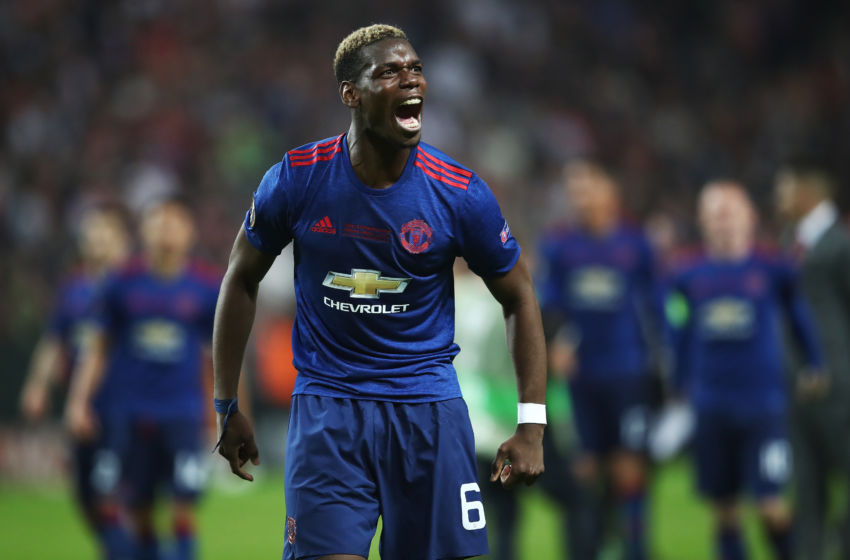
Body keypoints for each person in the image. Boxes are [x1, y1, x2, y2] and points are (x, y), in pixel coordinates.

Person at [211, 23, 547, 560]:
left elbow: (520, 296)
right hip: (329, 412)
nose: (410, 79)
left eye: (415, 68)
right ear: (352, 93)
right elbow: (240, 278)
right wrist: (227, 404)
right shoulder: (297, 179)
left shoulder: (458, 193)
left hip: (427, 413)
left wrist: (532, 423)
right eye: (389, 71)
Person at [668, 181, 824, 560]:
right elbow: (679, 330)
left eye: (730, 213)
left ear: (749, 217)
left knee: (770, 503)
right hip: (711, 404)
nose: (723, 222)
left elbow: (799, 317)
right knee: (725, 509)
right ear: (702, 221)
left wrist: (814, 363)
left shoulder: (773, 268)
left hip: (762, 405)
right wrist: (678, 382)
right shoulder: (687, 275)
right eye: (714, 214)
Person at [66, 197, 221, 560]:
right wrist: (78, 401)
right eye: (158, 221)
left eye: (175, 221)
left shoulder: (206, 286)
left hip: (182, 413)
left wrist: (223, 411)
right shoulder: (120, 283)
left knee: (184, 506)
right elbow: (98, 347)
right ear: (143, 230)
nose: (166, 229)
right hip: (129, 413)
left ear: (190, 231)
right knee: (136, 508)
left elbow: (217, 356)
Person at [537, 158, 663, 560]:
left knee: (629, 467)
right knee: (585, 468)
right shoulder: (559, 245)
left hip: (627, 371)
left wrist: (666, 363)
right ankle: (587, 549)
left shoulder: (636, 243)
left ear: (610, 190)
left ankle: (635, 550)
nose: (579, 196)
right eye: (573, 189)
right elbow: (548, 304)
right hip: (580, 377)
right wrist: (556, 343)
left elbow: (657, 306)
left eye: (587, 186)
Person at [19, 204, 131, 556]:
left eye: (106, 232)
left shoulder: (133, 289)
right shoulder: (73, 289)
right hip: (81, 408)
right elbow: (55, 340)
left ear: (122, 240)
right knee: (85, 495)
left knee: (111, 493)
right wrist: (37, 385)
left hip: (122, 408)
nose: (98, 239)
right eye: (92, 231)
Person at [775, 161, 850, 560]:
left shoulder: (841, 244)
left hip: (840, 385)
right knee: (806, 485)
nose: (779, 196)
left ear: (807, 190)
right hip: (796, 386)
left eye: (785, 187)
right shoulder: (789, 240)